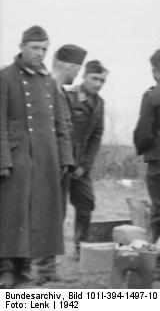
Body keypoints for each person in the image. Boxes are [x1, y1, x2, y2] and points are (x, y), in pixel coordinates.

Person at [0, 26, 74, 289]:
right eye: (34, 48)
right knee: (12, 213)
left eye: (44, 48)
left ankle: (27, 269)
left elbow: (60, 123)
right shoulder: (5, 77)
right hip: (17, 156)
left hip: (46, 157)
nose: (39, 53)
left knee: (39, 214)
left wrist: (65, 158)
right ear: (21, 47)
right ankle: (7, 268)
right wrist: (3, 159)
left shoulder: (49, 82)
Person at [34, 44, 87, 284]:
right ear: (70, 65)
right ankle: (44, 270)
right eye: (77, 68)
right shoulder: (49, 87)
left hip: (59, 163)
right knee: (47, 215)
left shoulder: (57, 89)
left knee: (52, 215)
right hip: (49, 164)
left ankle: (46, 268)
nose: (77, 73)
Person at [133, 47, 160, 276]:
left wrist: (141, 149)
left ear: (153, 70)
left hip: (158, 161)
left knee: (159, 209)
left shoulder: (152, 95)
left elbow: (143, 132)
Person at [64, 60, 108, 260]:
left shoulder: (99, 104)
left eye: (102, 80)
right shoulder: (67, 96)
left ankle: (81, 247)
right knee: (54, 208)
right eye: (94, 78)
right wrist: (67, 162)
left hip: (81, 167)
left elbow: (96, 137)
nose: (98, 84)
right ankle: (45, 255)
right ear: (84, 76)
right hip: (61, 163)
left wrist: (84, 166)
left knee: (86, 203)